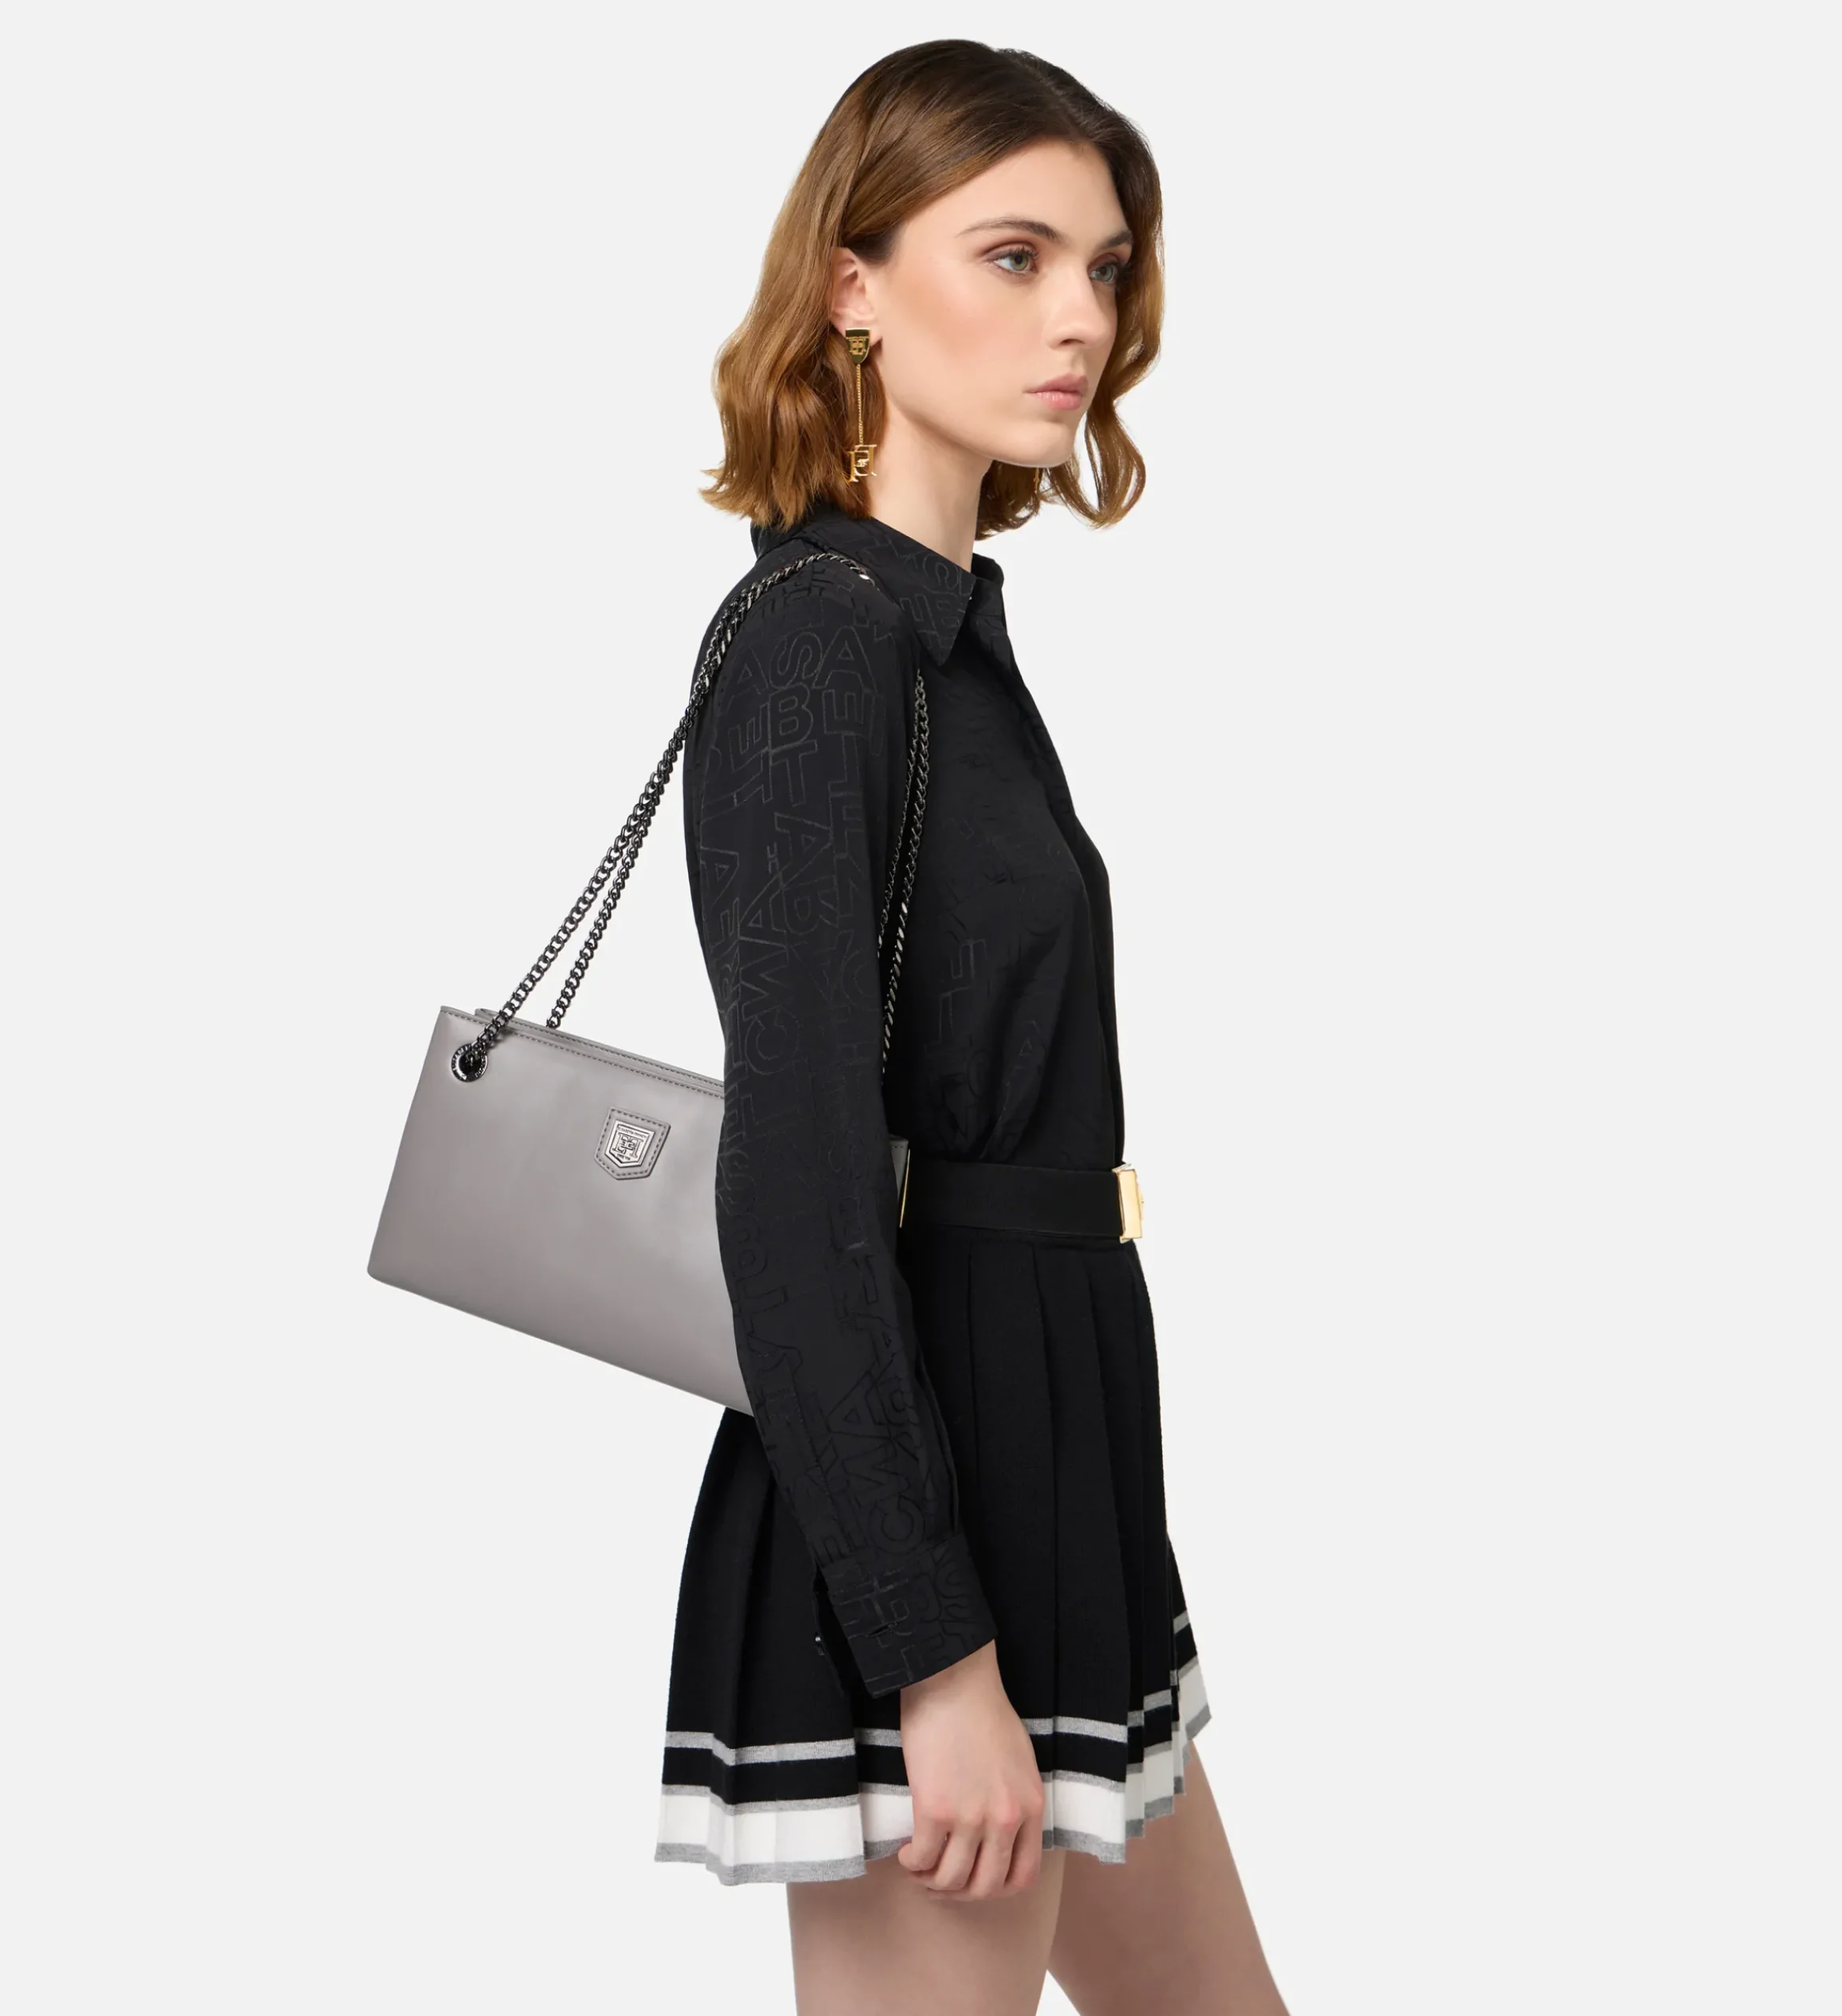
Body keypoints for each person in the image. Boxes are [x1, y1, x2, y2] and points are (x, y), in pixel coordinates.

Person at [654, 41, 1289, 2016]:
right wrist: (930, 1655)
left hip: (1057, 1467)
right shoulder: (816, 643)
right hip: (922, 1509)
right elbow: (795, 1190)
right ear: (851, 282)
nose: (1077, 317)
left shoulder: (942, 635)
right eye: (1011, 257)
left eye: (1100, 268)